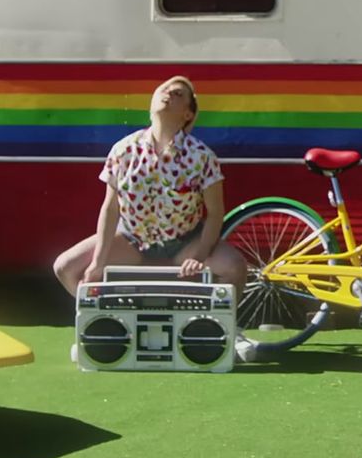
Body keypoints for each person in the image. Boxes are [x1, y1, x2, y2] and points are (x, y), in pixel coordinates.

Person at [52, 75, 255, 361]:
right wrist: (98, 261)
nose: (168, 94)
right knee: (66, 267)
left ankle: (230, 331)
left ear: (188, 114)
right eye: (164, 90)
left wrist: (199, 252)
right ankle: (99, 330)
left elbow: (215, 212)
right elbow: (110, 209)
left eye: (179, 93)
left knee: (234, 267)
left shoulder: (202, 156)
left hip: (184, 241)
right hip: (132, 239)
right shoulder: (123, 150)